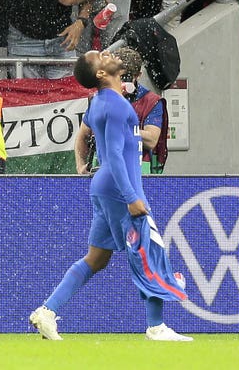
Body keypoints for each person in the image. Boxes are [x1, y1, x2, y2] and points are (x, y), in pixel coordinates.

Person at [29, 48, 190, 342]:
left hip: (103, 187)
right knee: (148, 254)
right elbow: (115, 155)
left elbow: (95, 141)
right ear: (102, 74)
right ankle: (156, 327)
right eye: (100, 57)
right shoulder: (116, 106)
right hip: (119, 189)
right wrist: (131, 197)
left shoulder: (100, 101)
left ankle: (47, 311)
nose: (107, 54)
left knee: (96, 259)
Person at [75, 46, 168, 175]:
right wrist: (80, 166)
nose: (121, 81)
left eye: (127, 77)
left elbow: (151, 140)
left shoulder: (152, 101)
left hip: (139, 172)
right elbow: (83, 135)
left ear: (138, 75)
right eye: (119, 75)